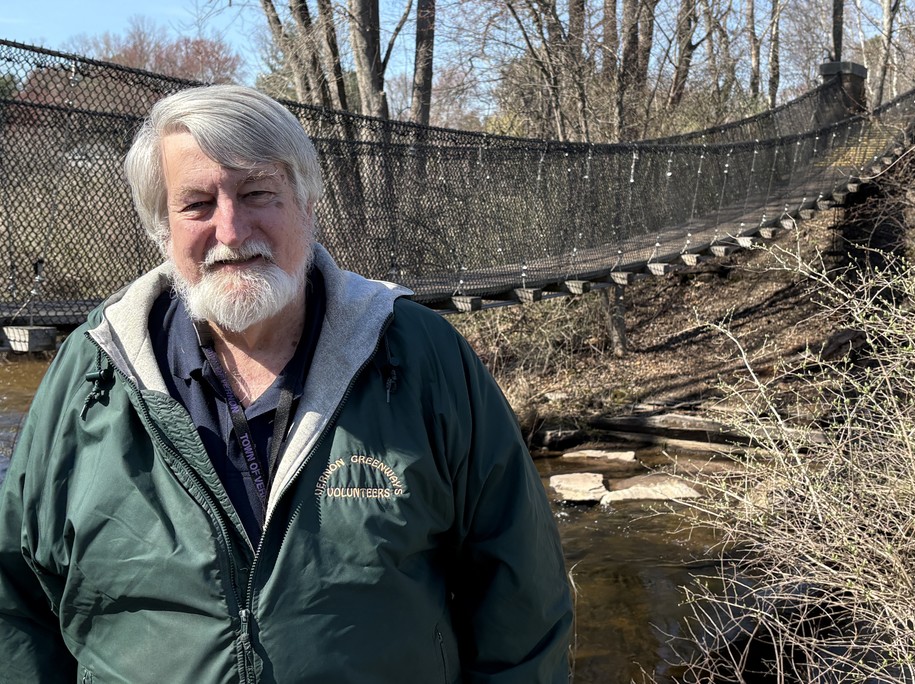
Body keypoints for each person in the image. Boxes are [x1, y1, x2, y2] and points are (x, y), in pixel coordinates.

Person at [0, 85, 573, 683]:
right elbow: (16, 600)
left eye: (256, 194)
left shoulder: (420, 354)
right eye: (196, 204)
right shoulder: (91, 374)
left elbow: (522, 601)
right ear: (161, 228)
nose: (230, 229)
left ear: (307, 203)